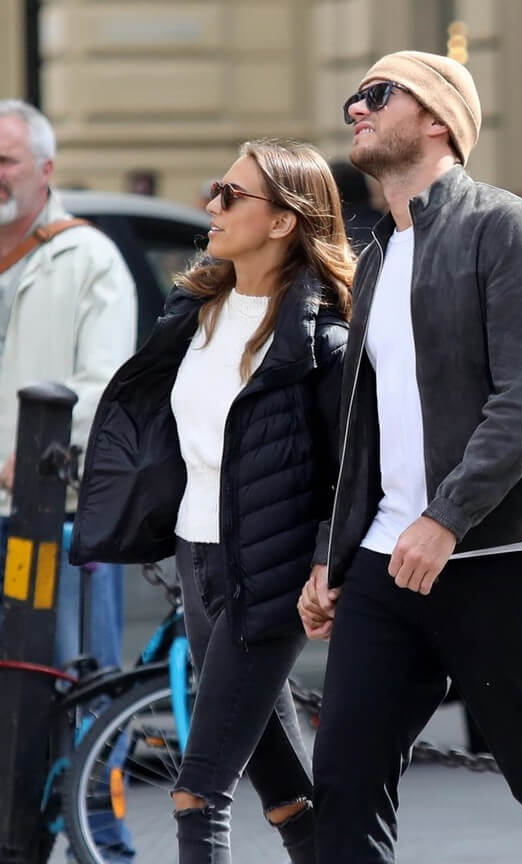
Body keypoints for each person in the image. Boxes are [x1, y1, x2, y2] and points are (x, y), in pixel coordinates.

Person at [297, 51, 522, 864]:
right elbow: (366, 428)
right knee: (345, 783)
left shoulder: (507, 227)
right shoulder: (381, 253)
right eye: (355, 95)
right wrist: (335, 553)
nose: (356, 108)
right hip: (391, 561)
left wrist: (444, 519)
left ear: (437, 119)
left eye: (377, 95)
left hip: (504, 553)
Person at [70, 139, 352, 863]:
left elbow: (349, 469)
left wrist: (325, 561)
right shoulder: (195, 307)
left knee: (199, 790)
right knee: (287, 794)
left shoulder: (320, 341)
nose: (211, 206)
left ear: (284, 221)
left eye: (232, 196)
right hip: (197, 557)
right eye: (214, 189)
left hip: (269, 570)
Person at [0, 100, 136, 860]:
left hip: (54, 516)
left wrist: (36, 444)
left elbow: (107, 385)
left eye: (6, 161)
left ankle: (102, 842)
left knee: (79, 689)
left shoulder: (87, 259)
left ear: (45, 170)